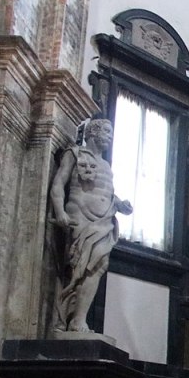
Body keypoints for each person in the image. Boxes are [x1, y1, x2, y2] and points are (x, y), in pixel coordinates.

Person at [50, 118, 132, 333]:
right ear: (93, 132)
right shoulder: (74, 153)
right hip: (80, 216)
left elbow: (107, 193)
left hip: (104, 219)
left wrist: (120, 204)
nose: (110, 137)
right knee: (79, 266)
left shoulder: (106, 165)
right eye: (106, 131)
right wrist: (59, 212)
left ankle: (78, 319)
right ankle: (65, 318)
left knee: (98, 265)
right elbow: (58, 184)